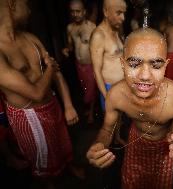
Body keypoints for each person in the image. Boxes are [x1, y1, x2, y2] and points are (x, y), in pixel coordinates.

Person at [87, 28, 173, 189]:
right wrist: (99, 145)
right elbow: (107, 130)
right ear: (122, 64)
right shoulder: (116, 95)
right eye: (134, 64)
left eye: (156, 65)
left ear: (166, 66)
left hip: (165, 150)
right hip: (135, 144)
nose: (144, 76)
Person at [0, 0, 79, 185]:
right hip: (29, 117)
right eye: (25, 4)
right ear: (12, 4)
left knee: (63, 142)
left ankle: (69, 166)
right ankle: (47, 184)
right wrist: (50, 68)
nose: (29, 10)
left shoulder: (30, 37)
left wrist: (67, 105)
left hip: (52, 103)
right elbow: (35, 92)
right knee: (42, 158)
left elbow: (55, 71)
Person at [62, 0, 97, 124]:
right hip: (79, 65)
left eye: (78, 11)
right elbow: (71, 46)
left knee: (90, 91)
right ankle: (90, 108)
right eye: (73, 12)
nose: (75, 14)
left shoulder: (92, 27)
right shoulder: (70, 28)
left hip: (90, 65)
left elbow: (98, 47)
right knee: (86, 88)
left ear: (84, 12)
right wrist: (67, 49)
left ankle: (91, 113)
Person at [90, 0, 126, 110]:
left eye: (124, 13)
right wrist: (107, 97)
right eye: (118, 13)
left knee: (123, 120)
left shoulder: (117, 30)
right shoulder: (98, 36)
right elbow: (96, 71)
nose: (123, 18)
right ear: (106, 12)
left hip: (123, 86)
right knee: (113, 124)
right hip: (110, 89)